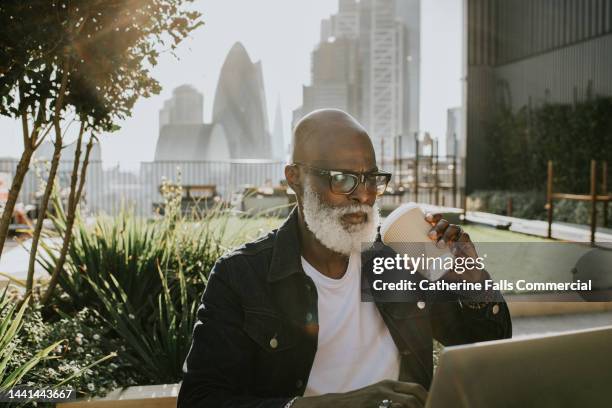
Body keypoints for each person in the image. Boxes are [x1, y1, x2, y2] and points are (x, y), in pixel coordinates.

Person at [178, 109, 511, 408]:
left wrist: (472, 279)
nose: (364, 194)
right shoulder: (241, 275)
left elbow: (487, 347)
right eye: (342, 178)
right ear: (294, 177)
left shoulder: (399, 259)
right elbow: (200, 400)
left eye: (371, 178)